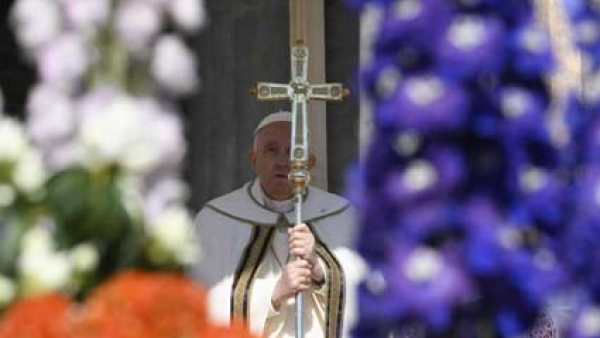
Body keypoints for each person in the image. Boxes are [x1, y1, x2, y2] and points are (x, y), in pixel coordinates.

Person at [192, 111, 365, 338]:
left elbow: (366, 292)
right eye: (272, 150)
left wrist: (321, 269)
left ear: (310, 162)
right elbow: (203, 300)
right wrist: (273, 293)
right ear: (254, 159)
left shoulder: (342, 215)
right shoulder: (215, 220)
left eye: (294, 152)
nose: (284, 162)